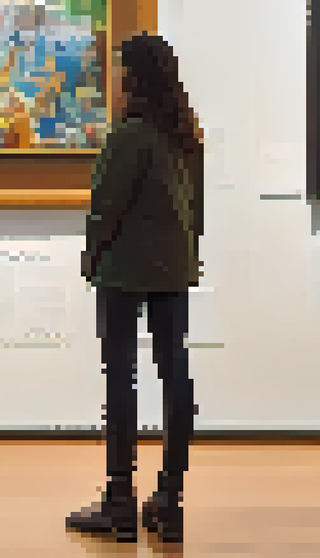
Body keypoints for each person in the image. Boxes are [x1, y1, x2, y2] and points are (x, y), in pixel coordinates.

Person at [67, 32, 203, 544]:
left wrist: (90, 256)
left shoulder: (129, 136)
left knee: (120, 379)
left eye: (119, 72)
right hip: (173, 270)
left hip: (124, 270)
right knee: (175, 375)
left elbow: (106, 208)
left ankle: (119, 499)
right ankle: (169, 499)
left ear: (133, 78)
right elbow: (199, 213)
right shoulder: (185, 135)